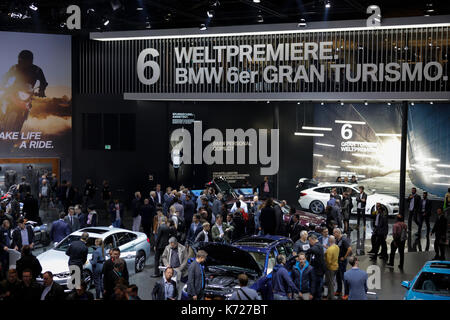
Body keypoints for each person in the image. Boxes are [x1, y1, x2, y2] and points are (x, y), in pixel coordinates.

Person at [0, 49, 47, 133]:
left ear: (30, 61)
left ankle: (18, 130)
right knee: (2, 98)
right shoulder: (15, 67)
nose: (20, 62)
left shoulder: (37, 70)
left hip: (27, 93)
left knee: (27, 106)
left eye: (23, 61)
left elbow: (43, 82)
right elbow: (6, 76)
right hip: (13, 89)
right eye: (19, 60)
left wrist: (41, 91)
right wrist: (2, 85)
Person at [306, 234, 326, 300]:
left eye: (309, 241)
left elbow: (313, 250)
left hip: (318, 272)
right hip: (318, 270)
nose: (309, 242)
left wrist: (307, 251)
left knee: (318, 288)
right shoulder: (317, 245)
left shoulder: (317, 246)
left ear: (312, 239)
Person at [334, 228, 352, 298]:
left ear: (338, 233)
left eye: (334, 233)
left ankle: (347, 293)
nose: (333, 234)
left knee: (343, 277)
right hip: (338, 261)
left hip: (342, 261)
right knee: (338, 276)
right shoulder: (337, 240)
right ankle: (339, 290)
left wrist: (344, 257)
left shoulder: (344, 240)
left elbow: (349, 249)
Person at [324, 235, 339, 300]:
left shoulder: (329, 250)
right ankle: (329, 295)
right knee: (331, 281)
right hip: (336, 266)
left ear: (329, 240)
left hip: (330, 268)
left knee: (330, 283)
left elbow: (328, 261)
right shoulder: (337, 247)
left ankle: (332, 296)